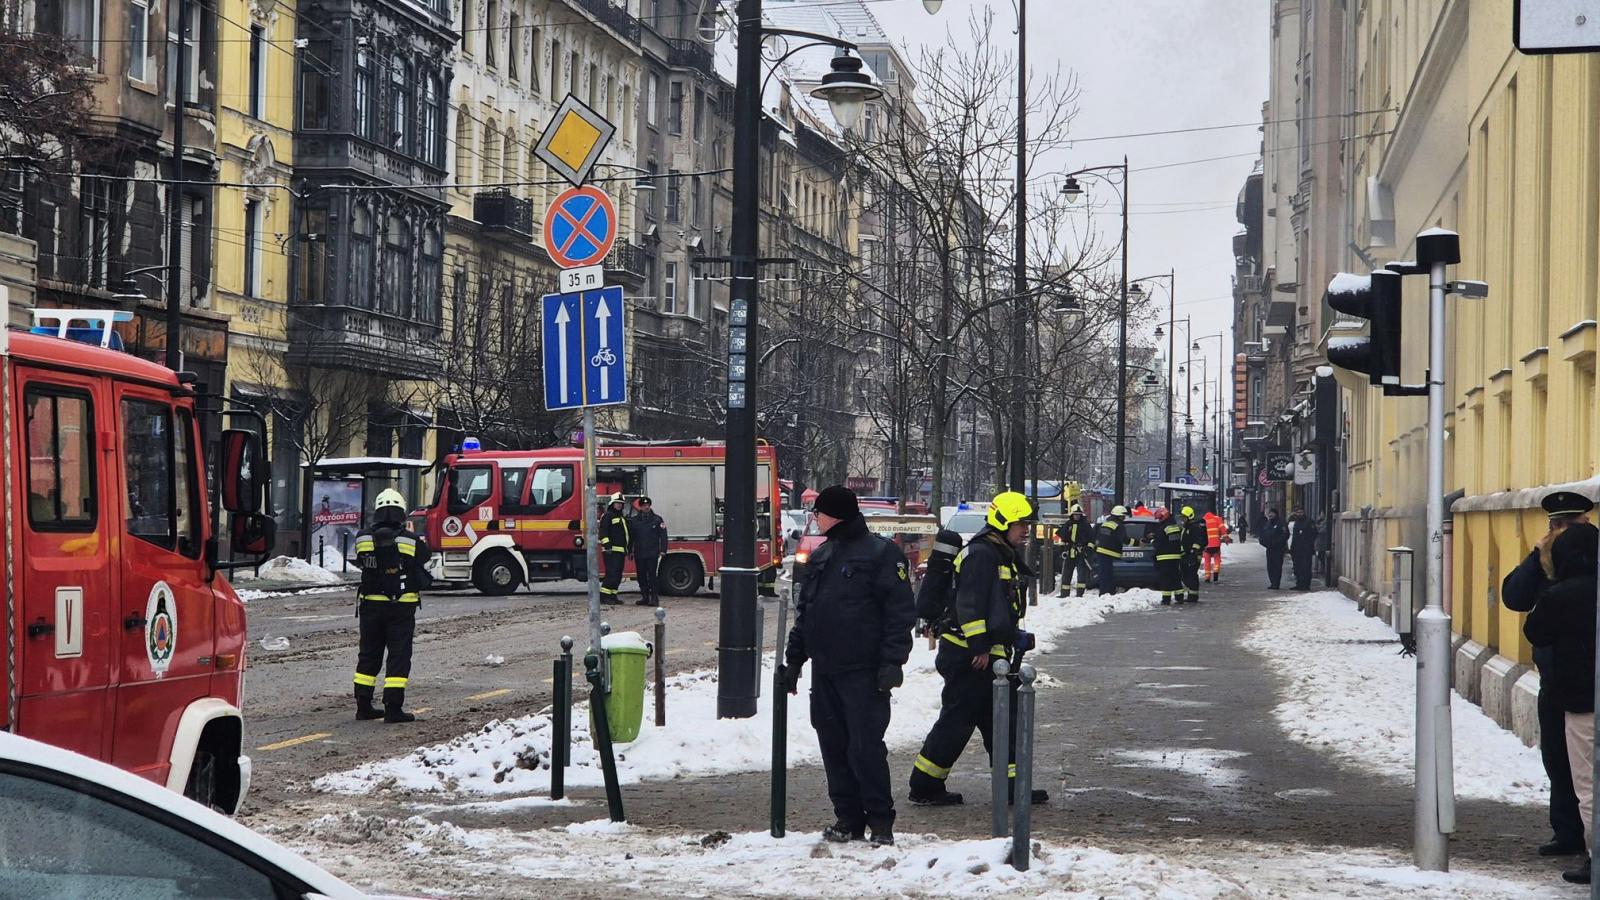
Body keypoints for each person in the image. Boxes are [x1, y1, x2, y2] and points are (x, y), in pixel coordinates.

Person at [781, 485, 915, 847]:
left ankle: (881, 823)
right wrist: (795, 661)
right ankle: (848, 819)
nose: (814, 519)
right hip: (826, 671)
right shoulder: (823, 555)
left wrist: (892, 661)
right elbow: (806, 615)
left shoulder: (881, 554)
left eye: (818, 513)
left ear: (835, 514)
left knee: (865, 747)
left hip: (864, 672)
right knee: (834, 746)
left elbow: (900, 614)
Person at [908, 490, 1048, 809]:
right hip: (970, 655)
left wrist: (1010, 637)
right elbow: (969, 604)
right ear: (1003, 522)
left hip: (986, 652)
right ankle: (924, 784)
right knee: (958, 721)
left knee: (1002, 719)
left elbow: (995, 604)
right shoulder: (983, 555)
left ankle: (1013, 784)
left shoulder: (997, 552)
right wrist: (980, 647)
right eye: (1020, 523)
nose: (1026, 529)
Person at [1503, 490, 1595, 862]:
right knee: (1558, 758)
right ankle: (1568, 831)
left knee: (1586, 768)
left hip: (1584, 677)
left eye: (1569, 524)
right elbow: (1515, 597)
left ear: (1584, 523)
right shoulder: (1544, 561)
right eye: (1556, 525)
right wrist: (1535, 558)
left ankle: (1590, 843)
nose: (1561, 531)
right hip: (1555, 677)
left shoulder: (1590, 553)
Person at [1522, 520, 1600, 885]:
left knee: (1586, 784)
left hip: (1580, 701)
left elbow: (1534, 630)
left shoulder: (1561, 594)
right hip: (1578, 695)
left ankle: (1594, 857)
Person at [352, 489, 431, 723]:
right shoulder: (409, 539)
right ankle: (393, 708)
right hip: (400, 607)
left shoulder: (362, 537)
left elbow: (360, 561)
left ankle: (363, 706)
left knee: (368, 654)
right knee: (398, 655)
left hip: (370, 606)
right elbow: (424, 557)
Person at [631, 496, 669, 607]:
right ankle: (645, 597)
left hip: (652, 553)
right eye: (643, 505)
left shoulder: (657, 520)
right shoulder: (635, 521)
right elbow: (631, 537)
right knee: (641, 576)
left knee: (652, 576)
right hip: (639, 553)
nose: (646, 507)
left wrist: (663, 550)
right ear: (640, 507)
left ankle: (654, 598)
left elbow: (663, 536)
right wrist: (630, 550)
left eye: (647, 505)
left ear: (650, 506)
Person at [1055, 504, 1095, 597]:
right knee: (1066, 574)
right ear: (1072, 515)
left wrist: (1087, 549)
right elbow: (1062, 537)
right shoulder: (1068, 524)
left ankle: (1080, 594)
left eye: (1078, 514)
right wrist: (1062, 549)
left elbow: (1091, 540)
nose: (1077, 516)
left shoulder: (1086, 525)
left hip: (1081, 553)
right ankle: (1064, 594)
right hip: (1070, 552)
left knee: (1081, 574)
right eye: (1075, 514)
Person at [598, 492, 630, 605]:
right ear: (612, 504)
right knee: (611, 574)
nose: (619, 505)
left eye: (621, 503)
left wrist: (628, 549)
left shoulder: (621, 517)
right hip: (611, 551)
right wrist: (607, 546)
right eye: (617, 503)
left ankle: (613, 595)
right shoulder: (607, 516)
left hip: (620, 551)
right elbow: (603, 532)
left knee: (618, 575)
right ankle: (604, 596)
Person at [1151, 507, 1185, 606]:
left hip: (1164, 557)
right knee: (1176, 577)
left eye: (1159, 518)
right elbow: (1174, 541)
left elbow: (1158, 543)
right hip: (1175, 556)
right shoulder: (1174, 526)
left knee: (1165, 578)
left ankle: (1166, 599)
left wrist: (1152, 540)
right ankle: (1179, 597)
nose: (1159, 520)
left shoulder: (1163, 528)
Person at [1095, 505, 1129, 596]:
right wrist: (1138, 543)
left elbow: (1097, 535)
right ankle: (1105, 593)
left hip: (1101, 551)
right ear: (1119, 516)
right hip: (1109, 552)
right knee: (1107, 574)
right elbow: (1124, 539)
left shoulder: (1106, 523)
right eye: (1123, 515)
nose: (1124, 517)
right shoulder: (1119, 526)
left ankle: (1105, 592)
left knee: (1104, 573)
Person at [1179, 506, 1206, 604]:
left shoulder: (1194, 527)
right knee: (1186, 575)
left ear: (1189, 517)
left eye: (1184, 517)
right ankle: (1192, 594)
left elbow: (1197, 541)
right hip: (1186, 555)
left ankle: (1193, 596)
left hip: (1193, 555)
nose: (1183, 519)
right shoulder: (1187, 527)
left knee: (1191, 575)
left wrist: (1193, 552)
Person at [1288, 508, 1320, 590]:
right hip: (1296, 549)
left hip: (1306, 549)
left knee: (1306, 567)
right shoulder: (1296, 522)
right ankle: (1299, 583)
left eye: (1301, 512)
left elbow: (1314, 533)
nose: (1299, 514)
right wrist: (1292, 547)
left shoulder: (1309, 522)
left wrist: (1308, 542)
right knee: (1297, 567)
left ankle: (1306, 585)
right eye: (1298, 512)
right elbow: (1295, 536)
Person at [1258, 508, 1289, 590]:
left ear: (1276, 514)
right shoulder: (1267, 524)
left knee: (1277, 566)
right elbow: (1263, 534)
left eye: (1272, 513)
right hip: (1269, 548)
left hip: (1278, 549)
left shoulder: (1281, 523)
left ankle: (1276, 583)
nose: (1270, 515)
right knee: (1270, 566)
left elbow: (1285, 535)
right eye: (1269, 513)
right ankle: (1272, 582)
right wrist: (1263, 542)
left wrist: (1277, 542)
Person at [1202, 509, 1228, 582]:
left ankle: (1207, 577)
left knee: (1207, 561)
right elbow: (1223, 529)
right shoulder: (1217, 519)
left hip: (1206, 545)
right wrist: (1226, 537)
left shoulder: (1203, 521)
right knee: (1217, 559)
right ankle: (1216, 572)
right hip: (1216, 544)